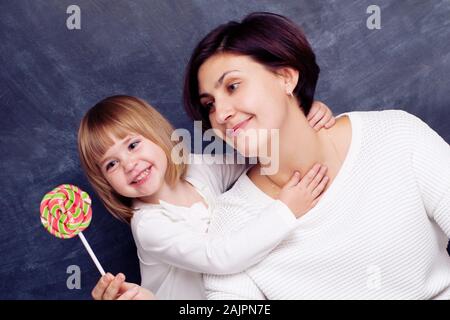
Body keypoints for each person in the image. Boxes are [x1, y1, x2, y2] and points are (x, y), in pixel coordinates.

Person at [181, 12, 450, 299]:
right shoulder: (232, 225)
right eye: (209, 104)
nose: (221, 114)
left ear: (286, 77)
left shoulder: (394, 135)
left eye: (233, 86)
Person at [78, 95, 335, 299]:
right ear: (105, 182)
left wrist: (301, 120)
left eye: (133, 145)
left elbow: (258, 156)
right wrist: (285, 211)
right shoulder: (149, 225)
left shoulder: (196, 167)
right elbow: (220, 257)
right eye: (111, 164)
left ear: (157, 134)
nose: (129, 164)